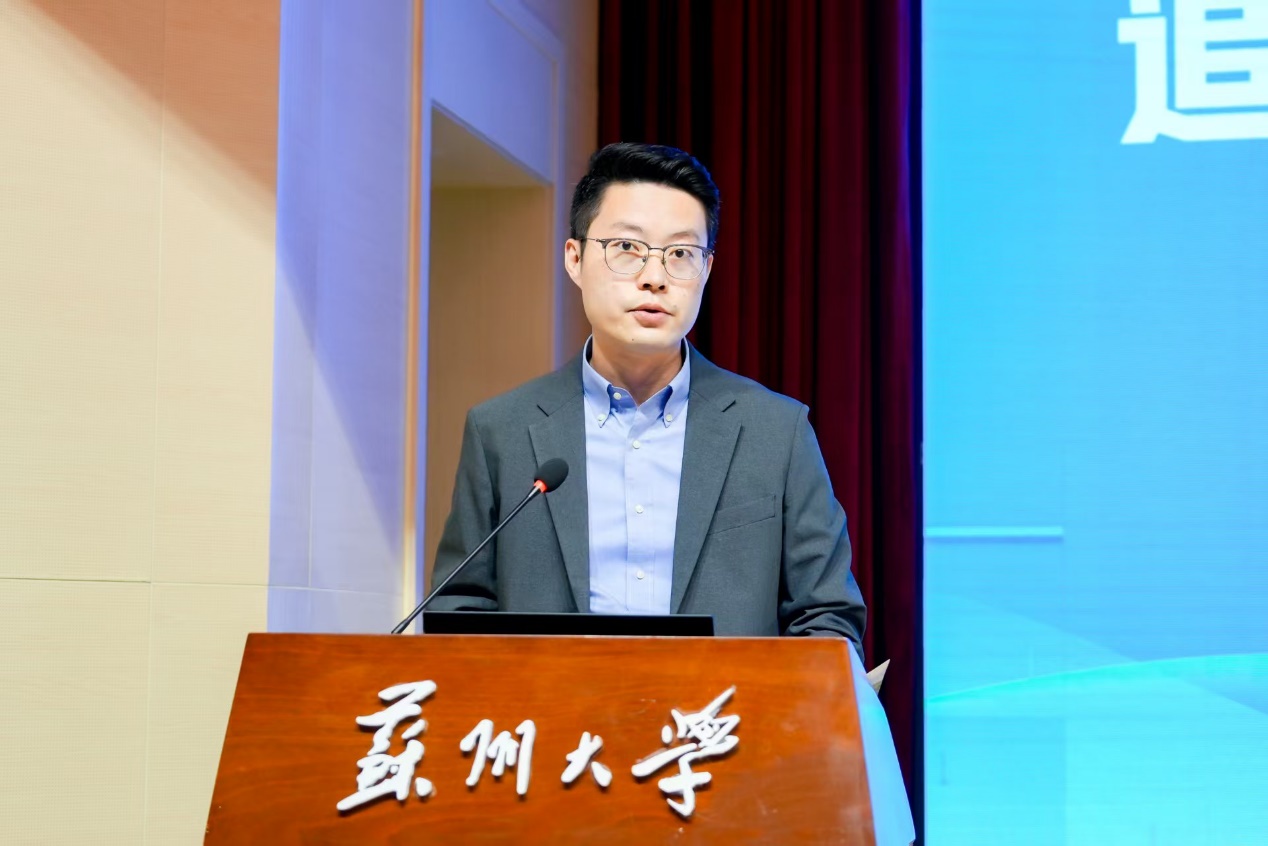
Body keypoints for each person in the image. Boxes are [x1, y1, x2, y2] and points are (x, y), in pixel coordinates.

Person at [429, 141, 867, 652]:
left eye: (680, 254)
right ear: (575, 259)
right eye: (627, 248)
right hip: (554, 704)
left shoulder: (776, 432)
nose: (654, 278)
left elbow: (827, 617)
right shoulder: (500, 431)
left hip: (723, 706)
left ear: (706, 270)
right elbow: (457, 613)